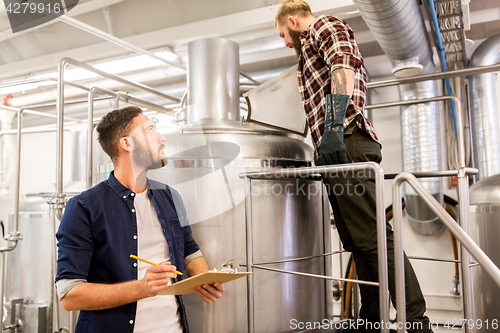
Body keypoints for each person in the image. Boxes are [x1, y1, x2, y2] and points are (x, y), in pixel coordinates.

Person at [275, 1, 432, 332]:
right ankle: (371, 321)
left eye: (283, 35)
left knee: (375, 236)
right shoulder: (308, 53)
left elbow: (342, 68)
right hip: (335, 152)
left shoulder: (325, 27)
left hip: (345, 142)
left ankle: (417, 322)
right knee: (360, 241)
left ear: (292, 21)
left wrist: (332, 129)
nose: (285, 43)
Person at [55, 106, 225, 333]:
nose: (161, 137)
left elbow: (189, 251)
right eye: (151, 130)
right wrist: (141, 288)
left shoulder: (170, 197)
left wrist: (203, 278)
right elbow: (70, 295)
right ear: (127, 143)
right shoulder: (84, 207)